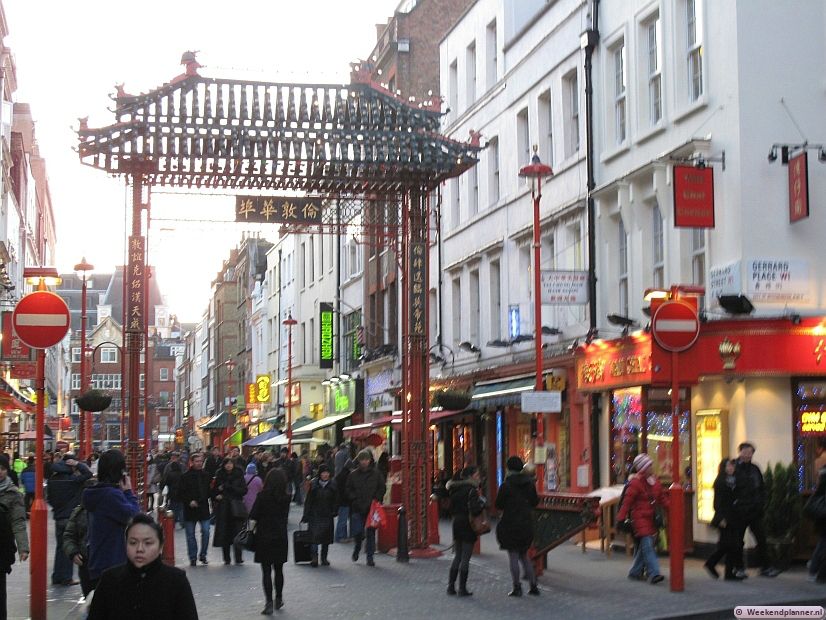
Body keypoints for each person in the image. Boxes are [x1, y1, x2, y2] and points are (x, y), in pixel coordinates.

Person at [87, 513, 198, 620]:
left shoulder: (176, 580)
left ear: (160, 546)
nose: (140, 549)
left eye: (148, 543)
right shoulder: (110, 579)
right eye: (133, 542)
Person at [82, 449, 140, 590]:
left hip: (98, 560)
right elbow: (133, 517)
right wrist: (128, 493)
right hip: (113, 562)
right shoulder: (111, 495)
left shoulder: (95, 493)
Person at [616, 453, 668, 585]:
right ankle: (654, 573)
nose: (652, 467)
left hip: (651, 519)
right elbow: (626, 502)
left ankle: (635, 572)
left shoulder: (655, 481)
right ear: (643, 468)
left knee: (644, 548)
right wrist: (620, 519)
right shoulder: (635, 483)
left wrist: (674, 507)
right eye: (649, 465)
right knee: (648, 546)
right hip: (639, 519)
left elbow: (662, 498)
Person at [495, 456, 540, 596]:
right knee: (524, 555)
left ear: (508, 468)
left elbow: (498, 504)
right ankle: (533, 586)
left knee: (513, 556)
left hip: (510, 523)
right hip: (526, 523)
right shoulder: (529, 484)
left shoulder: (506, 485)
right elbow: (535, 502)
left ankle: (517, 587)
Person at [47, 452, 92, 586]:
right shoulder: (73, 480)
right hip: (69, 516)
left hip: (58, 516)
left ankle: (57, 576)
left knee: (60, 547)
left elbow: (49, 498)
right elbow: (88, 475)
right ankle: (67, 577)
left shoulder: (52, 480)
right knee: (69, 547)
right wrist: (78, 465)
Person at [733, 442, 778, 578]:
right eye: (745, 452)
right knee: (738, 541)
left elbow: (762, 487)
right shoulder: (733, 467)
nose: (747, 454)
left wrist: (762, 503)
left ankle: (765, 567)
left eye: (750, 452)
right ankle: (738, 568)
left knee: (761, 539)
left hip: (755, 511)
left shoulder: (755, 469)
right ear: (739, 452)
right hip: (739, 511)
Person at [250, 468, 291, 614]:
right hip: (280, 536)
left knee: (266, 571)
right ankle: (278, 598)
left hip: (264, 536)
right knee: (279, 569)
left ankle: (268, 602)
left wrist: (250, 531)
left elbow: (253, 515)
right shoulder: (286, 498)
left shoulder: (262, 496)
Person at [446, 465, 485, 597]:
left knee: (458, 555)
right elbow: (475, 509)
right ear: (471, 476)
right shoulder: (471, 490)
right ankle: (462, 588)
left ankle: (451, 586)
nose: (478, 477)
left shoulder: (454, 489)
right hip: (468, 523)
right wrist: (481, 504)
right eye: (477, 474)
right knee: (465, 557)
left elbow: (450, 508)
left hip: (456, 522)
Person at [704, 458, 744, 580]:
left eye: (732, 466)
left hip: (734, 516)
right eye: (728, 466)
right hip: (725, 517)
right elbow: (717, 503)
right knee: (729, 545)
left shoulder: (736, 481)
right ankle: (716, 566)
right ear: (723, 468)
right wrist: (721, 517)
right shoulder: (720, 482)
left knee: (729, 545)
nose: (731, 468)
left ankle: (720, 568)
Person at [345, 449, 386, 567]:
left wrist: (376, 499)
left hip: (371, 508)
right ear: (358, 460)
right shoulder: (353, 475)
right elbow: (348, 489)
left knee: (371, 533)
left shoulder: (376, 474)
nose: (364, 462)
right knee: (358, 532)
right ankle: (357, 548)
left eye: (366, 459)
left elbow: (381, 488)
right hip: (357, 508)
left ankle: (370, 557)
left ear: (370, 460)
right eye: (362, 459)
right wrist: (354, 499)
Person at [0, 454, 28, 620]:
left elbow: (18, 522)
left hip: (1, 547)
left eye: (3, 469)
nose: (0, 472)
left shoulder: (13, 494)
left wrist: (23, 547)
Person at [211, 457, 247, 565]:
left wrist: (228, 487)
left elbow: (244, 490)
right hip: (223, 508)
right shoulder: (219, 475)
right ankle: (226, 558)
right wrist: (217, 495)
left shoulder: (239, 474)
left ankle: (238, 557)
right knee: (224, 533)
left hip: (236, 506)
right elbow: (213, 491)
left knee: (237, 532)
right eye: (227, 463)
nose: (229, 465)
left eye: (231, 463)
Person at [179, 453, 212, 566]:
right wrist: (189, 501)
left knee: (206, 531)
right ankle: (193, 557)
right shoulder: (185, 476)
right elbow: (180, 492)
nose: (199, 463)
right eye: (197, 461)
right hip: (190, 509)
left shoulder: (206, 475)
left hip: (203, 507)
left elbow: (209, 491)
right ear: (191, 462)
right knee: (190, 534)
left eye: (201, 461)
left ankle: (203, 554)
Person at [302, 464, 337, 567]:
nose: (325, 475)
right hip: (315, 515)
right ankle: (314, 557)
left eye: (327, 473)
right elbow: (308, 501)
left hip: (327, 515)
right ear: (320, 474)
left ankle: (324, 557)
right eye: (323, 473)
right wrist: (306, 515)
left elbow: (336, 500)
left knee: (325, 538)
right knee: (314, 538)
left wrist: (334, 510)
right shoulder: (314, 485)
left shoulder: (332, 485)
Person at [807, 465, 826, 583]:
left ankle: (814, 569)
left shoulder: (823, 470)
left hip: (822, 515)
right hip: (823, 515)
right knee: (823, 543)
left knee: (823, 542)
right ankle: (817, 571)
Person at [334, 455, 354, 542]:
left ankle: (342, 536)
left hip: (341, 501)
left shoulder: (341, 474)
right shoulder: (347, 476)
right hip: (344, 501)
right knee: (343, 520)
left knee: (343, 519)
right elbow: (345, 490)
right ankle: (340, 536)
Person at [161, 459, 184, 527]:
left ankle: (173, 521)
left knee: (173, 507)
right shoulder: (182, 474)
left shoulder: (170, 474)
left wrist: (162, 487)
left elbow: (166, 482)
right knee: (181, 508)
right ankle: (182, 522)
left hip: (172, 493)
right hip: (181, 493)